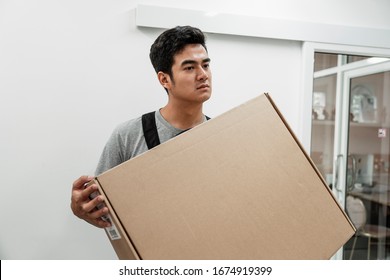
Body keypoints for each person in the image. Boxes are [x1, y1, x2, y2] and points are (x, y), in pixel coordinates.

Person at [71, 26, 212, 228]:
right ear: (164, 79)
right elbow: (98, 207)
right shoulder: (128, 136)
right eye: (190, 68)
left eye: (205, 65)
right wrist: (81, 208)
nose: (203, 75)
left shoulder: (221, 135)